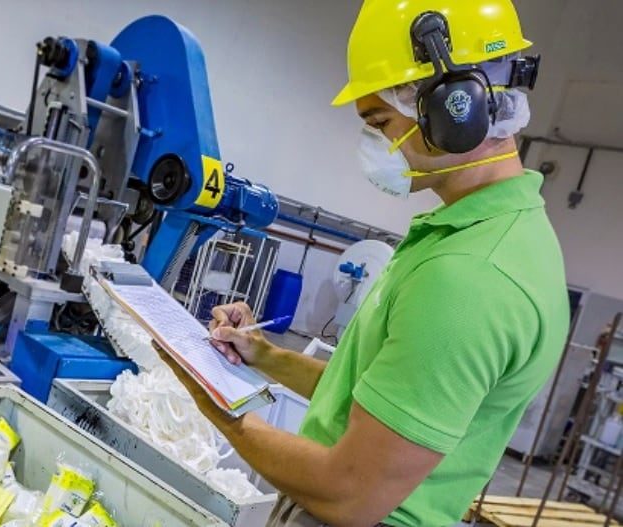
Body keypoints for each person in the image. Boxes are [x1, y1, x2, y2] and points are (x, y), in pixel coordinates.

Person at [158, 1, 569, 525]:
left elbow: (348, 494)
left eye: (379, 121)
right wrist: (263, 355)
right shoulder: (487, 236)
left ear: (454, 109)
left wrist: (215, 401)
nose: (376, 144)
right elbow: (367, 397)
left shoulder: (472, 274)